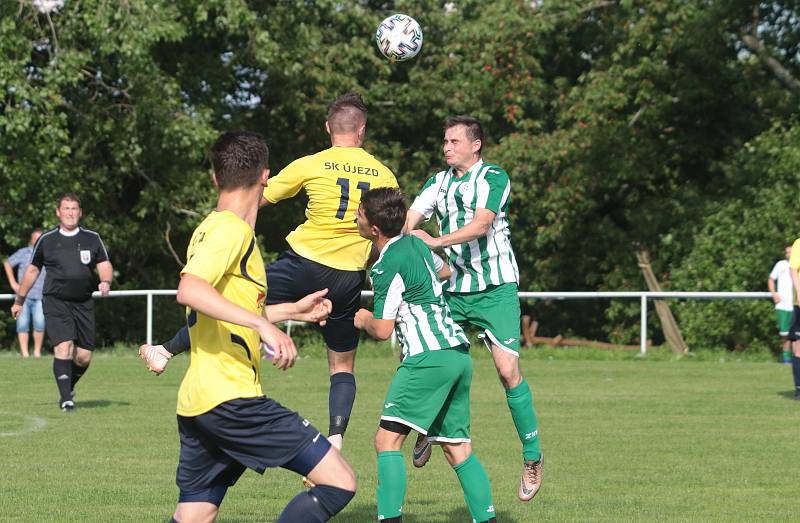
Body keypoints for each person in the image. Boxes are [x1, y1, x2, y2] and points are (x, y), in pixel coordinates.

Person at [140, 92, 399, 452]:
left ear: (328, 128)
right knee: (342, 367)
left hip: (303, 264)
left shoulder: (312, 164)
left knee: (236, 303)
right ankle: (336, 438)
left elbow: (254, 196)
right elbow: (385, 230)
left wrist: (237, 242)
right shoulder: (384, 174)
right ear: (362, 130)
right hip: (348, 275)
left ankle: (165, 351)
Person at [163, 131, 356, 523]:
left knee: (194, 516)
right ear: (266, 176)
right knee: (339, 481)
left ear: (216, 178)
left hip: (200, 403)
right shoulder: (231, 231)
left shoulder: (208, 229)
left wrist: (290, 312)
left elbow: (221, 308)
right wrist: (262, 326)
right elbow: (190, 290)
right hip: (232, 400)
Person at [405, 115, 544, 501]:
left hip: (496, 287)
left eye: (454, 141)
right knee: (433, 359)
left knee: (506, 370)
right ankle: (431, 427)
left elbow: (482, 225)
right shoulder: (438, 182)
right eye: (445, 141)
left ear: (475, 144)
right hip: (454, 287)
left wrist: (433, 242)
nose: (446, 147)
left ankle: (532, 456)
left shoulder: (494, 177)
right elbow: (409, 222)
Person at [353, 188, 496, 523]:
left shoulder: (386, 264)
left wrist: (360, 318)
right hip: (458, 353)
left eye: (359, 214)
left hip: (427, 357)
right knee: (457, 448)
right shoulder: (415, 244)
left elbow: (383, 329)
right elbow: (444, 272)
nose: (356, 218)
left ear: (374, 228)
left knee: (386, 442)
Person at [11, 194, 112, 412]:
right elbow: (32, 271)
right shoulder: (46, 239)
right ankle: (67, 400)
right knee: (63, 346)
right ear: (58, 212)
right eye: (66, 208)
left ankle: (67, 386)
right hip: (55, 301)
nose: (70, 212)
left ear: (80, 212)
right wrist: (20, 300)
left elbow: (104, 264)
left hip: (83, 302)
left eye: (74, 208)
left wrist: (105, 281)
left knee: (84, 356)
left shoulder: (92, 238)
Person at [4, 228, 47, 358]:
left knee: (40, 323)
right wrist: (13, 283)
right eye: (36, 239)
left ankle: (37, 353)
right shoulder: (23, 253)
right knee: (22, 325)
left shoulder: (48, 254)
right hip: (23, 297)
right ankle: (24, 354)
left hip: (40, 295)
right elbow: (7, 263)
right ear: (31, 240)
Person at [768, 245, 793, 364]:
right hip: (783, 305)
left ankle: (796, 358)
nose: (787, 254)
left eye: (790, 252)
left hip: (795, 304)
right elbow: (771, 279)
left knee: (797, 333)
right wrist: (774, 294)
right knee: (785, 334)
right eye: (786, 252)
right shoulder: (780, 265)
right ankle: (786, 358)